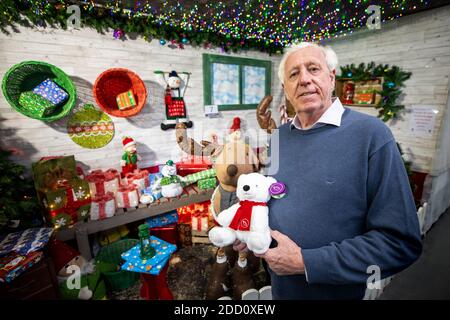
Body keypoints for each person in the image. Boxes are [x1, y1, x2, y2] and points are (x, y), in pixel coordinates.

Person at [234, 42, 422, 299]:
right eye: (294, 74)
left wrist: (307, 262)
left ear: (331, 77)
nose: (304, 80)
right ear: (286, 89)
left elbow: (399, 243)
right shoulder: (279, 138)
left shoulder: (371, 135)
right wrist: (250, 228)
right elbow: (272, 200)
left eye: (313, 69)